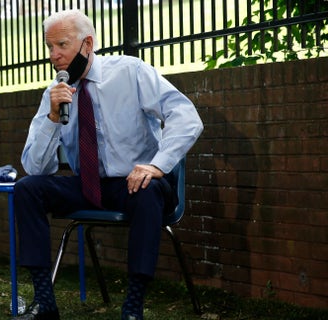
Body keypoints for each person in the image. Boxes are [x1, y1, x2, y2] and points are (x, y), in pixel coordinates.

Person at [13, 9, 204, 320]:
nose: (53, 56)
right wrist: (51, 118)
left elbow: (186, 117)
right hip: (89, 186)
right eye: (49, 47)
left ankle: (133, 307)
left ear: (87, 44)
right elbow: (36, 168)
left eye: (61, 45)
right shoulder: (55, 92)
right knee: (27, 188)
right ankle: (44, 301)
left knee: (148, 190)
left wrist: (157, 165)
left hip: (134, 184)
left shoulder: (131, 72)